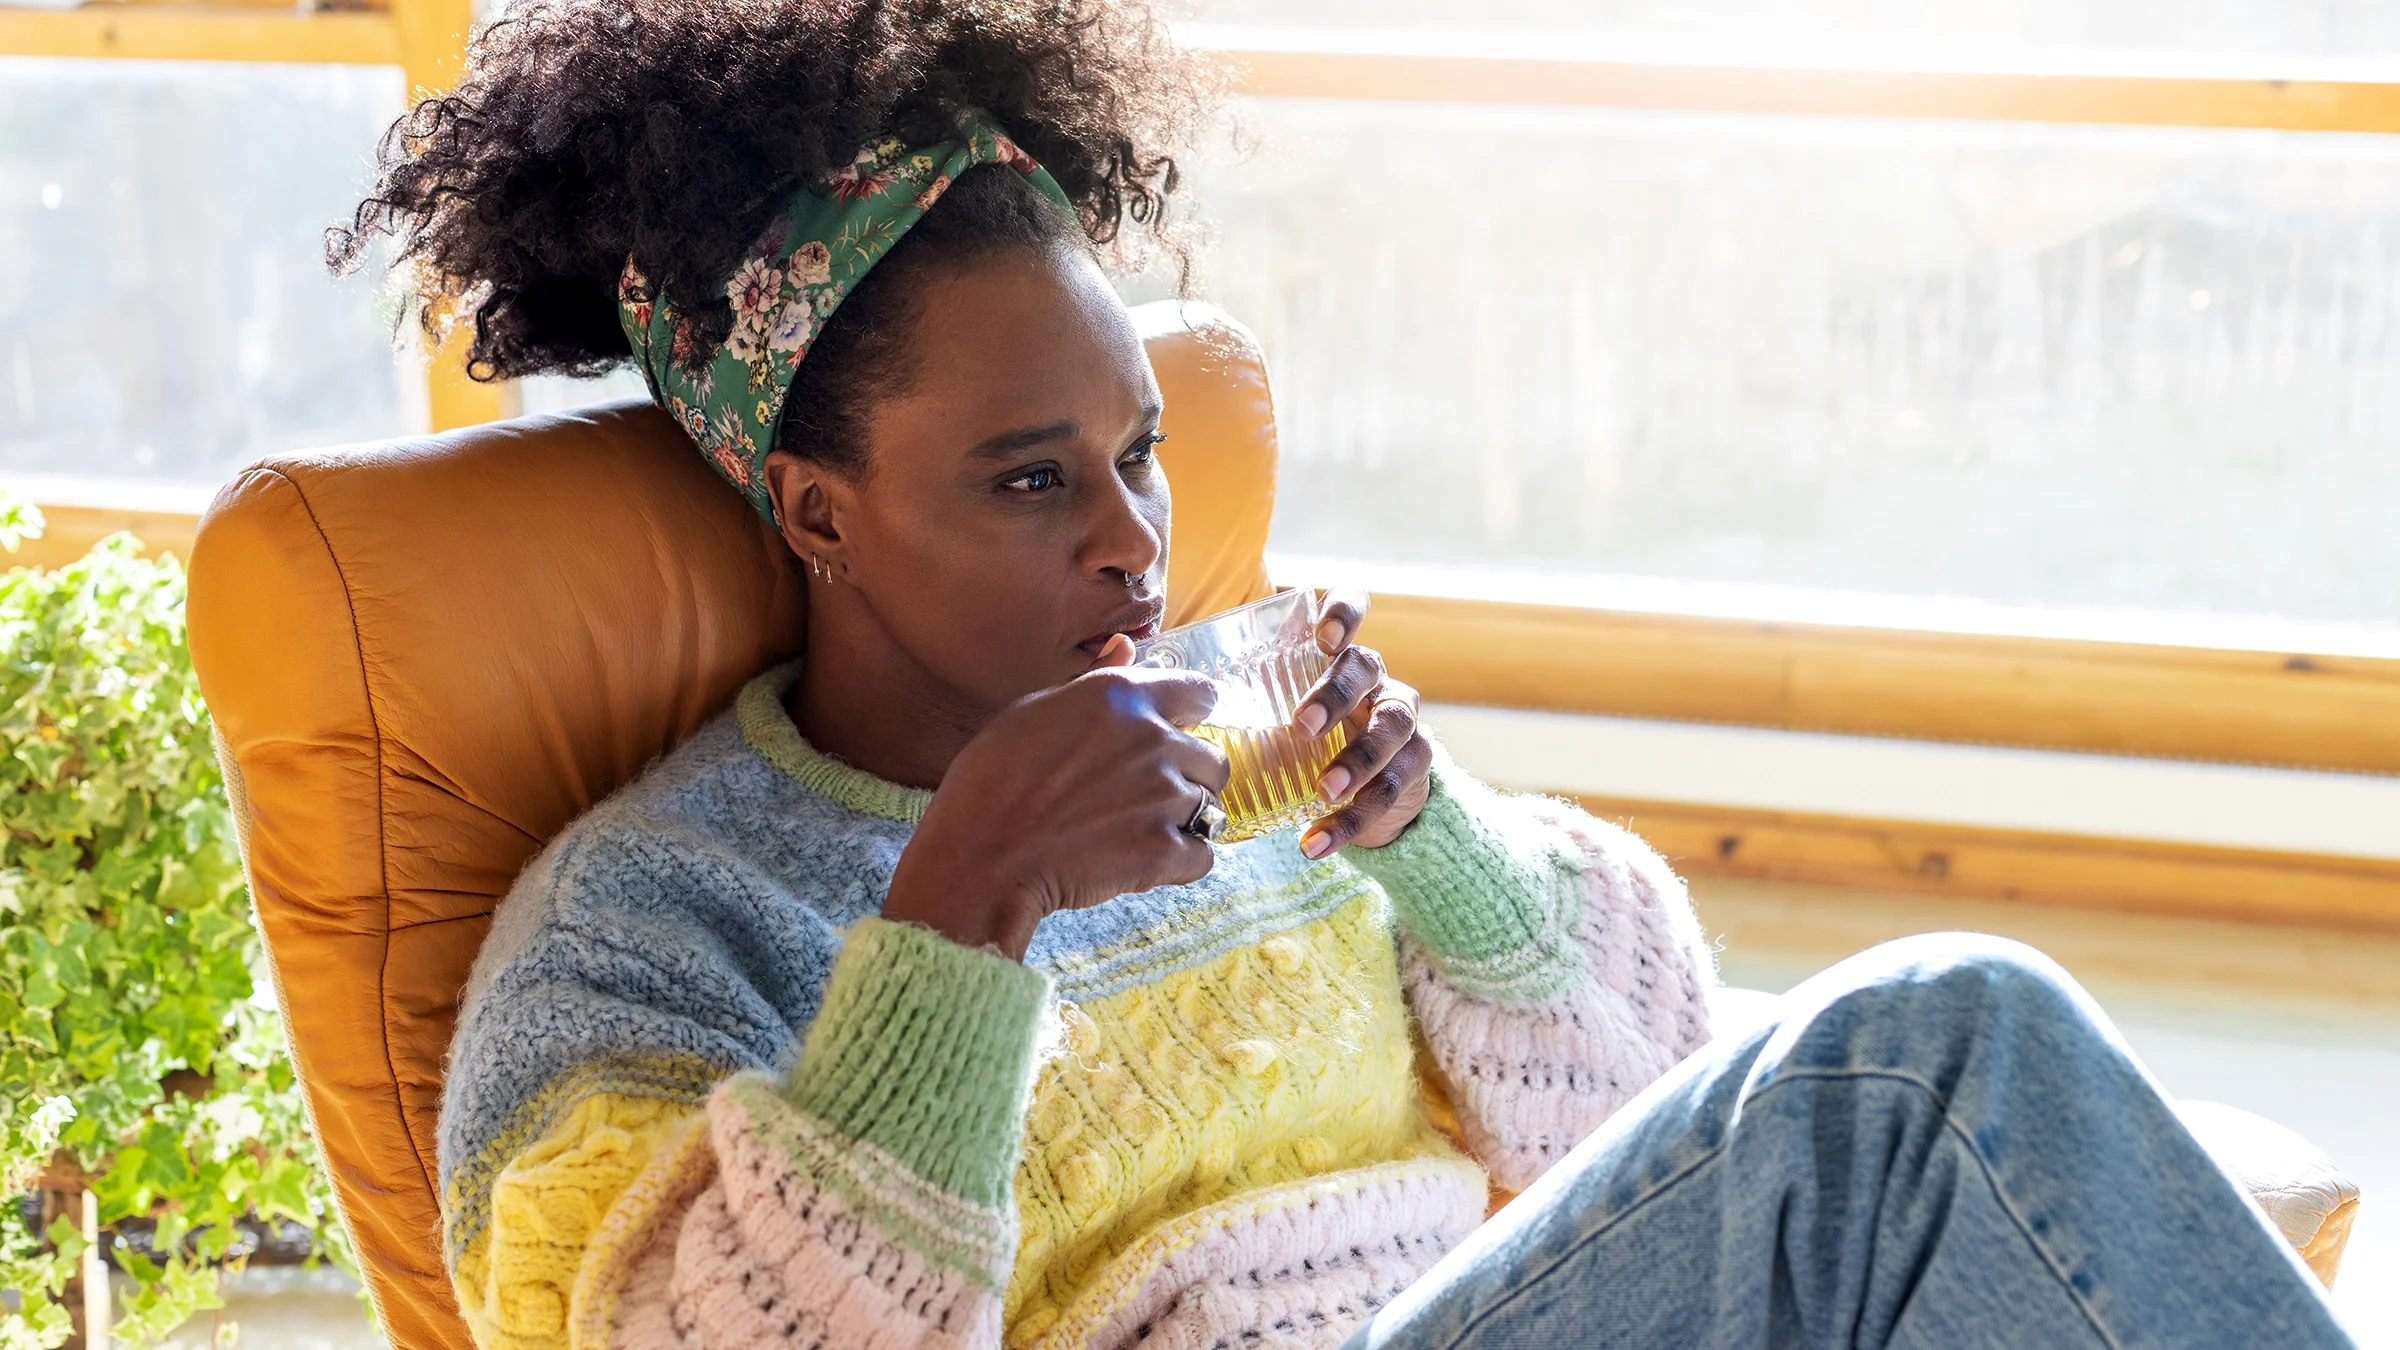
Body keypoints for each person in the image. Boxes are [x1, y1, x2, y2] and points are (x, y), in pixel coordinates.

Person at [333, 1, 2356, 1346]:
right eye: (1030, 479)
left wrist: (1442, 857)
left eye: (1138, 451)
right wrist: (956, 923)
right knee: (1925, 1054)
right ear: (820, 507)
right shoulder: (641, 928)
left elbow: (1659, 1128)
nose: (1133, 538)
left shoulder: (1253, 738)